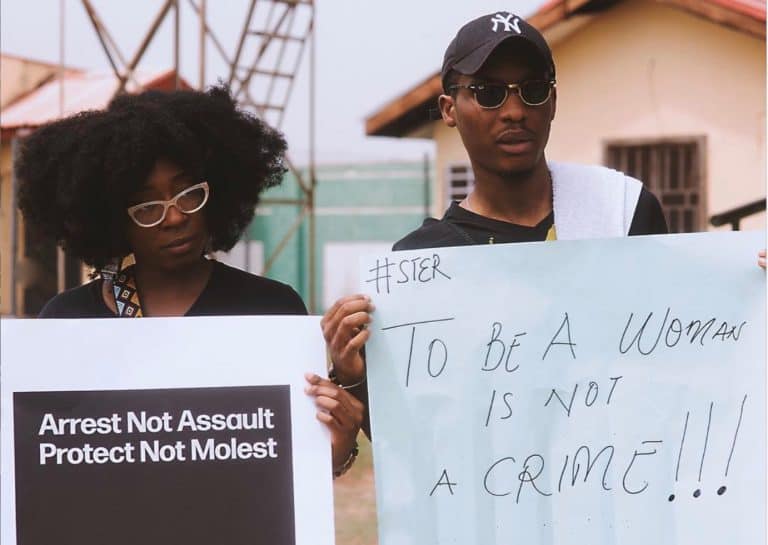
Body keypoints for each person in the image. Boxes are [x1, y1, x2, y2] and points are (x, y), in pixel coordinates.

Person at [322, 11, 765, 420]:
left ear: (552, 103)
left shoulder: (622, 211)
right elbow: (421, 449)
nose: (515, 112)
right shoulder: (422, 264)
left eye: (532, 91)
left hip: (622, 492)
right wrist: (355, 374)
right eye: (489, 93)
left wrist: (753, 295)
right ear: (449, 110)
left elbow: (687, 357)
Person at [15, 84, 362, 476]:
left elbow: (293, 467)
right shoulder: (67, 321)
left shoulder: (271, 310)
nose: (175, 216)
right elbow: (43, 466)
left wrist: (336, 450)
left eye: (188, 194)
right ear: (112, 219)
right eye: (148, 207)